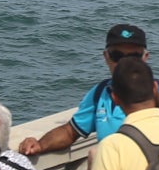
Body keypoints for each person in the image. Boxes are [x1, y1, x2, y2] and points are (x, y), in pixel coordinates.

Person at [17, 24, 148, 157]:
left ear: (145, 57)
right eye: (117, 55)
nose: (124, 63)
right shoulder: (100, 94)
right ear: (106, 56)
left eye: (134, 56)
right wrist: (40, 145)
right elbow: (70, 132)